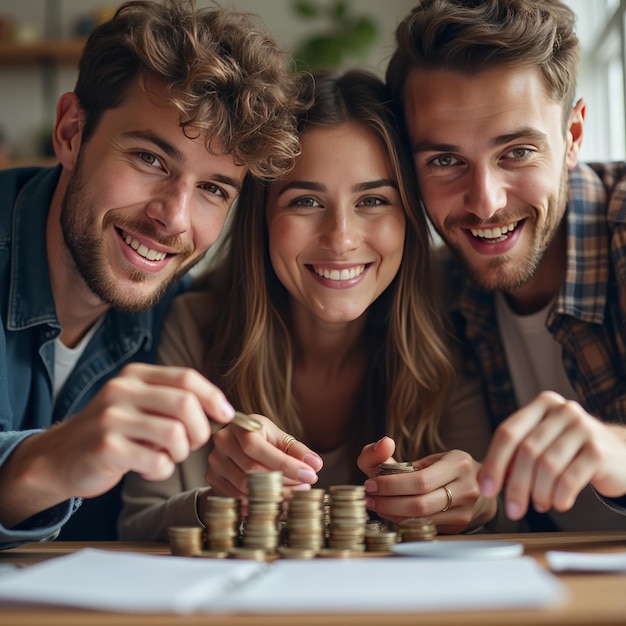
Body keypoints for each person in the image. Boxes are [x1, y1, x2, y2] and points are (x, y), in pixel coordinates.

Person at [118, 69, 506, 542]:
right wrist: (216, 506)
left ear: (409, 216)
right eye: (305, 201)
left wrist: (481, 499)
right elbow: (135, 527)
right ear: (261, 219)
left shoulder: (452, 325)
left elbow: (503, 516)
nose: (340, 238)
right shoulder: (196, 325)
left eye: (373, 200)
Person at [0, 0, 306, 549]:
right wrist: (44, 464)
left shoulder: (178, 316)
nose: (174, 218)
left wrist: (223, 501)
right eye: (150, 160)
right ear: (71, 131)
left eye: (214, 188)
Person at [386, 0, 626, 528]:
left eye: (516, 152)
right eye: (445, 161)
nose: (485, 202)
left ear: (573, 137)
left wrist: (619, 452)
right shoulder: (442, 289)